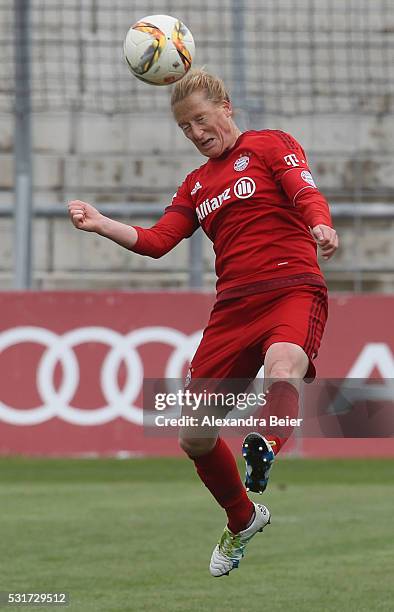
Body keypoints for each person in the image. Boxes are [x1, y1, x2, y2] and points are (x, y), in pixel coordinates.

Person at [68, 68, 338, 577]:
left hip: (291, 286)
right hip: (233, 307)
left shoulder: (269, 145)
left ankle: (264, 444)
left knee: (285, 363)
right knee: (192, 435)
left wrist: (320, 223)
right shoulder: (195, 186)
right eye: (184, 127)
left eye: (199, 119)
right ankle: (243, 518)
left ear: (226, 106)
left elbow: (304, 191)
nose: (195, 133)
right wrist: (102, 224)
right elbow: (157, 242)